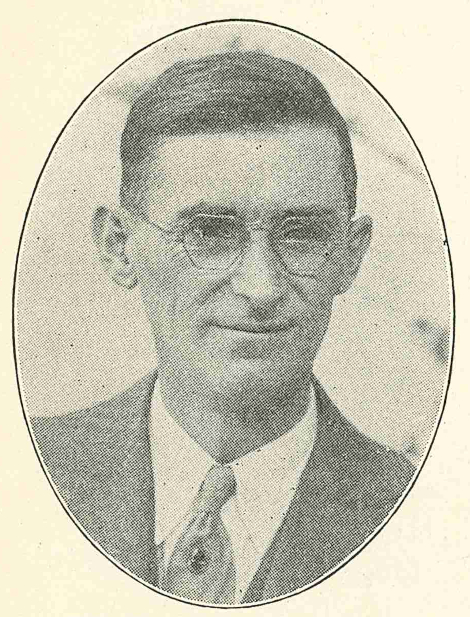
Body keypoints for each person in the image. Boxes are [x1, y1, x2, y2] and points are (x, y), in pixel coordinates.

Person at [32, 50, 415, 605]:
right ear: (119, 247)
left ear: (350, 256)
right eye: (210, 233)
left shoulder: (417, 511)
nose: (261, 287)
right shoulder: (28, 474)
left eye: (301, 234)